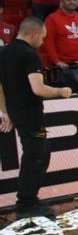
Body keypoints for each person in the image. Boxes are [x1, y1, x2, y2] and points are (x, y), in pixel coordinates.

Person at [0, 17, 72, 220]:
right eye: (41, 38)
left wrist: (6, 111)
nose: (42, 42)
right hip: (30, 114)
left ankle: (29, 199)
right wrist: (61, 91)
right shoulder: (30, 55)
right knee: (36, 155)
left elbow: (1, 85)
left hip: (18, 112)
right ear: (33, 34)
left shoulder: (5, 51)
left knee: (41, 151)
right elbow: (38, 88)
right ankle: (25, 204)